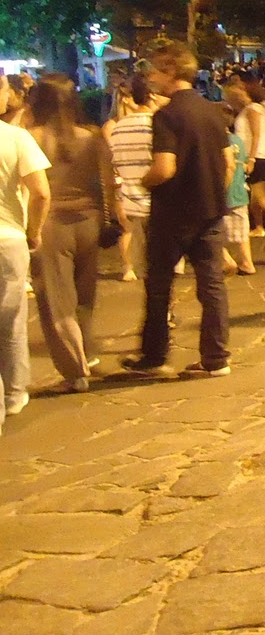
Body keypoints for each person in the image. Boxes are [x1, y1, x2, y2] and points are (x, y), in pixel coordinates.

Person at [121, 41, 233, 381]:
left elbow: (164, 168)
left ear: (171, 71)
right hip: (210, 210)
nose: (150, 77)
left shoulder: (167, 116)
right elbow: (228, 163)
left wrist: (143, 182)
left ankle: (154, 355)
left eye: (154, 70)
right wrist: (214, 191)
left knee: (159, 285)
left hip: (172, 213)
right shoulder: (213, 111)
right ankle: (216, 358)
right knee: (212, 286)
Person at [26, 74, 122, 393]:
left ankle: (74, 371)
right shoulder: (91, 137)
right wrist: (112, 219)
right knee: (84, 296)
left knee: (57, 301)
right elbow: (109, 183)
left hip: (50, 224)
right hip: (89, 221)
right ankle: (87, 352)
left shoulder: (31, 138)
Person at [0, 75, 49, 430]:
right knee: (11, 318)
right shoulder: (16, 138)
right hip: (8, 239)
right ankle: (15, 392)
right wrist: (34, 231)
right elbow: (41, 192)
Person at [106, 76, 158, 283]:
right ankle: (130, 267)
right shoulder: (154, 123)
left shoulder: (118, 127)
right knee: (131, 232)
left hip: (128, 190)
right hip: (144, 191)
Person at [226, 76, 265, 237]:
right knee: (255, 195)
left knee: (260, 194)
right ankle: (259, 227)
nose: (237, 94)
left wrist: (251, 159)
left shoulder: (252, 109)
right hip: (260, 154)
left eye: (240, 91)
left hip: (257, 156)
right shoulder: (254, 108)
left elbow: (256, 135)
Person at [219, 128, 255, 276]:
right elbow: (245, 165)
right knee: (242, 232)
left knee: (208, 229)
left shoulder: (218, 142)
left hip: (225, 192)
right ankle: (248, 263)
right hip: (240, 191)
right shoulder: (238, 140)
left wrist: (221, 191)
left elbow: (229, 167)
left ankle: (227, 260)